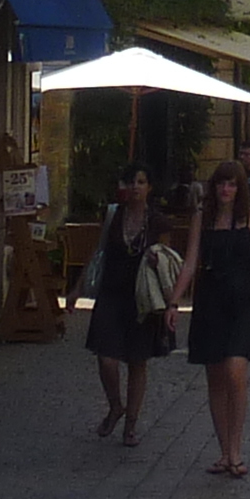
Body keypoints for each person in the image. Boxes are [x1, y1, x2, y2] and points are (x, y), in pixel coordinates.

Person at [171, 160, 250, 477]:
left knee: (236, 370)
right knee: (216, 378)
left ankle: (235, 448)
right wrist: (173, 301)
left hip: (243, 303)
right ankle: (225, 452)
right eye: (222, 183)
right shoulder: (201, 219)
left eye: (232, 184)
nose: (226, 189)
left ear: (240, 188)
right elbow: (191, 262)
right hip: (210, 303)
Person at [82, 166, 171, 447]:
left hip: (142, 297)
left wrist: (160, 264)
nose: (135, 187)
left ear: (149, 187)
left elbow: (169, 260)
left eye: (141, 182)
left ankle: (131, 423)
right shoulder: (113, 215)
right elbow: (99, 252)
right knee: (106, 357)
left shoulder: (157, 221)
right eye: (131, 182)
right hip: (112, 292)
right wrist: (78, 289)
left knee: (137, 361)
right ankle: (115, 405)